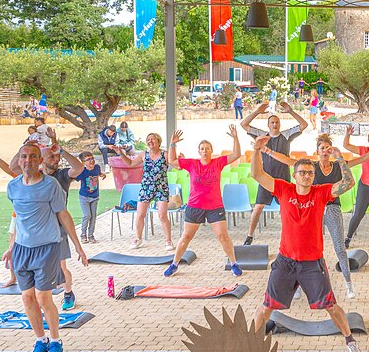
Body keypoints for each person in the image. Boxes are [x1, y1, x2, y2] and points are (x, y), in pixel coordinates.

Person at [249, 142, 364, 352]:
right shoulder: (284, 189)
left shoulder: (321, 193)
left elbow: (348, 182)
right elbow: (257, 173)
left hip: (312, 264)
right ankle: (250, 346)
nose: (306, 176)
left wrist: (340, 158)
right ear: (294, 175)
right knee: (266, 307)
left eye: (310, 174)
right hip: (285, 262)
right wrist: (256, 151)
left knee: (331, 306)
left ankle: (350, 342)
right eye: (302, 173)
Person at [3, 142, 88, 352]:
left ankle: (56, 341)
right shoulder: (13, 187)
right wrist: (11, 247)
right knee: (27, 297)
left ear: (40, 161)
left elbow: (63, 215)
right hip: (22, 249)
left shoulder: (51, 186)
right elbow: (18, 220)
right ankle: (41, 340)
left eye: (33, 157)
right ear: (19, 160)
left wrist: (78, 246)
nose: (28, 161)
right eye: (24, 157)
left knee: (43, 296)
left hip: (47, 247)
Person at [0, 128, 86, 311]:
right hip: (33, 231)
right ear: (42, 160)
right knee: (35, 288)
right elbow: (13, 166)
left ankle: (68, 293)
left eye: (56, 158)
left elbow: (79, 168)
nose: (55, 160)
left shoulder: (61, 176)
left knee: (61, 267)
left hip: (57, 229)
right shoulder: (27, 176)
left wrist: (61, 150)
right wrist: (27, 144)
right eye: (51, 157)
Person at [268, 135, 359, 300]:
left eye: (328, 148)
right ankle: (296, 285)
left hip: (331, 207)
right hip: (312, 207)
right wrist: (267, 150)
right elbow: (288, 160)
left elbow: (351, 177)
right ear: (317, 151)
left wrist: (340, 157)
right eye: (322, 148)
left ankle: (348, 283)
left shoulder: (337, 166)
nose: (325, 151)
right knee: (300, 243)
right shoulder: (311, 168)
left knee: (339, 247)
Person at [164, 127, 244, 278]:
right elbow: (172, 161)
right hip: (195, 206)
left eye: (207, 148)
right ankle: (174, 264)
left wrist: (235, 138)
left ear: (211, 150)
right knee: (186, 236)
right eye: (202, 149)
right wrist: (172, 144)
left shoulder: (218, 163)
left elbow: (236, 154)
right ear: (199, 151)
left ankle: (234, 264)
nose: (205, 151)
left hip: (215, 207)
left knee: (222, 236)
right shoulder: (192, 164)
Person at [240, 100, 308, 246]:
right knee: (258, 207)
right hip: (266, 178)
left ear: (280, 124)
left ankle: (294, 235)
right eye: (272, 122)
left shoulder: (287, 135)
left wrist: (290, 111)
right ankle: (249, 236)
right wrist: (257, 111)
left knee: (288, 209)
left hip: (283, 178)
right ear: (268, 125)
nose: (275, 124)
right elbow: (244, 125)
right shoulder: (261, 135)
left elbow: (304, 125)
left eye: (277, 122)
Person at [130, 133, 175, 250]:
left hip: (161, 188)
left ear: (158, 141)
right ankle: (138, 238)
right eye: (148, 139)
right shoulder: (143, 154)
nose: (150, 141)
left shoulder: (164, 154)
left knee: (162, 215)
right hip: (146, 188)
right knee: (140, 215)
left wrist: (177, 155)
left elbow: (176, 165)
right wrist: (120, 153)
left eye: (153, 139)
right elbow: (130, 164)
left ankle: (168, 241)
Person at [74, 151, 103, 244]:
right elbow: (74, 177)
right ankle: (83, 234)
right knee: (87, 215)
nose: (91, 161)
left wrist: (102, 174)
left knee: (93, 216)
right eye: (88, 159)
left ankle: (91, 235)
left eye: (92, 158)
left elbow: (99, 173)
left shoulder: (97, 167)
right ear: (83, 163)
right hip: (84, 197)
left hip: (94, 196)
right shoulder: (82, 171)